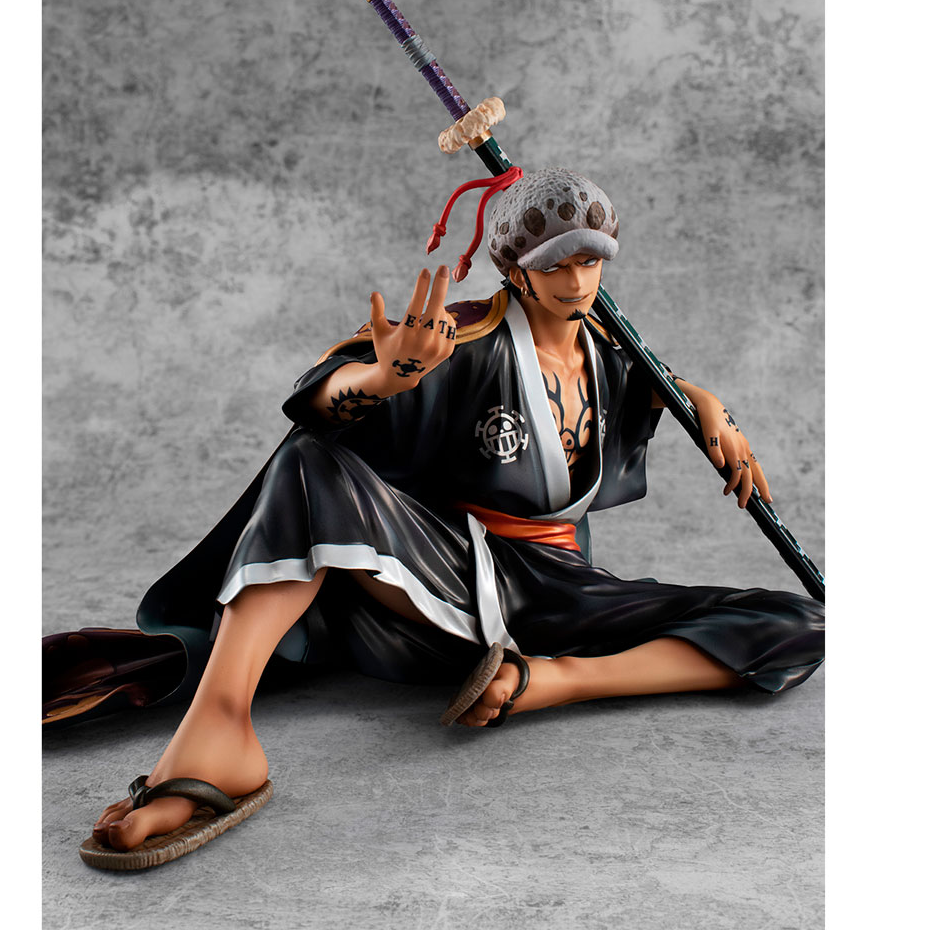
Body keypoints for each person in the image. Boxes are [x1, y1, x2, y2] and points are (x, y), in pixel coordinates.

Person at [87, 168, 824, 861]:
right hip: (442, 574)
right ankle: (221, 727)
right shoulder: (468, 339)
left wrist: (703, 401)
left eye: (590, 262)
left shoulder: (612, 354)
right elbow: (325, 403)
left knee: (799, 622)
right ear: (516, 270)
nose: (576, 283)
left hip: (558, 593)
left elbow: (653, 382)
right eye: (555, 266)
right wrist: (385, 376)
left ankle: (550, 682)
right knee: (310, 462)